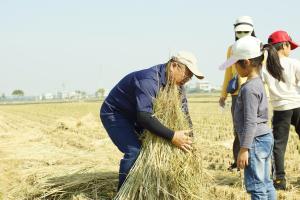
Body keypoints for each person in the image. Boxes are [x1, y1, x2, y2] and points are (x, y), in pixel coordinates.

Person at [100, 51, 204, 190]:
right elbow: (144, 116)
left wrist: (190, 140)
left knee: (149, 147)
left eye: (190, 77)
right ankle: (123, 193)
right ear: (173, 65)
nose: (188, 79)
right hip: (116, 113)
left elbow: (184, 114)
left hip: (137, 115)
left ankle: (143, 188)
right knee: (134, 150)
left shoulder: (177, 86)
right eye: (187, 74)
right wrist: (173, 136)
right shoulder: (149, 80)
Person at [219, 36, 277, 200]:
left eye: (235, 63)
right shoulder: (259, 82)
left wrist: (244, 149)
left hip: (255, 142)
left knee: (256, 187)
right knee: (266, 183)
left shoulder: (249, 89)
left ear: (245, 62)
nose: (234, 67)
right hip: (264, 136)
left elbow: (250, 121)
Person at [261, 30, 300, 190]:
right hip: (298, 106)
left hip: (280, 110)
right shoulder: (294, 63)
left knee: (278, 145)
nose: (290, 49)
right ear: (284, 45)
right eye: (289, 45)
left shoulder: (266, 67)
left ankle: (280, 180)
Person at [219, 16, 256, 170]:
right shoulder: (231, 49)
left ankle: (255, 162)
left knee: (255, 127)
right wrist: (223, 95)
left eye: (245, 31)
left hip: (254, 91)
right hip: (236, 95)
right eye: (239, 32)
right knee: (238, 129)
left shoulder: (260, 46)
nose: (242, 34)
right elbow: (227, 71)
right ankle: (238, 162)